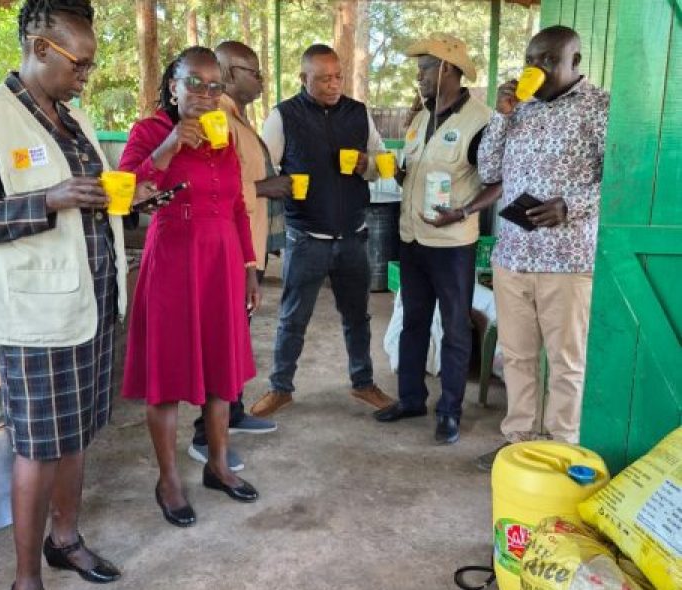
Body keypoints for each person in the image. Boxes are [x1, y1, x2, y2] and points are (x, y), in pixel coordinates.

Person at [0, 1, 156, 587]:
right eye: (79, 65)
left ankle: (66, 540)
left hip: (87, 306)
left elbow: (89, 197)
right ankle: (25, 575)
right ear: (40, 49)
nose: (86, 76)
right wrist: (49, 200)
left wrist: (126, 202)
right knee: (37, 446)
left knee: (76, 433)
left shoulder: (73, 119)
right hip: (32, 315)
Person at [120, 46, 261, 523]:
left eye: (214, 85)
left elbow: (239, 207)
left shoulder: (225, 139)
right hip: (174, 259)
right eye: (194, 83)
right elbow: (124, 191)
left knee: (222, 370)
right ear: (172, 85)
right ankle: (169, 480)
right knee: (166, 376)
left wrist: (248, 267)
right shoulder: (149, 131)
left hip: (221, 260)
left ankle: (218, 465)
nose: (205, 93)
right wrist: (170, 146)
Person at [476, 26, 609, 469]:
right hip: (513, 256)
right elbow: (489, 171)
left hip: (566, 260)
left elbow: (623, 183)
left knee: (566, 361)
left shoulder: (601, 107)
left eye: (549, 59)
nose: (538, 68)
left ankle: (560, 448)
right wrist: (501, 115)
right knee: (516, 355)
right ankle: (518, 440)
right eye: (533, 59)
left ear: (575, 60)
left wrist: (570, 205)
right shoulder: (521, 109)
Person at [250, 44, 393, 418]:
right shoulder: (284, 116)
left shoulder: (358, 113)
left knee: (357, 317)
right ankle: (281, 388)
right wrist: (284, 183)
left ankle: (363, 384)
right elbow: (265, 171)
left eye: (338, 76)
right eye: (324, 78)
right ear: (304, 79)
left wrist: (367, 165)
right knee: (293, 318)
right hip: (305, 238)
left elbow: (382, 165)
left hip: (352, 236)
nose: (334, 85)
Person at [373, 35, 502, 445]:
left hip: (452, 246)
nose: (418, 77)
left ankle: (449, 411)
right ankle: (411, 398)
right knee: (412, 322)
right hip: (412, 239)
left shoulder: (481, 122)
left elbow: (499, 182)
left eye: (424, 69)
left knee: (454, 327)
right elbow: (415, 168)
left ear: (447, 69)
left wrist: (464, 212)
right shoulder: (420, 118)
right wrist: (398, 173)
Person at [184, 40, 291, 471]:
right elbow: (215, 191)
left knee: (238, 340)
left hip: (248, 245)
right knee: (218, 345)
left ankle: (235, 412)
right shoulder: (217, 119)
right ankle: (204, 437)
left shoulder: (240, 118)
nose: (261, 78)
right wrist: (269, 188)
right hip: (226, 251)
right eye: (252, 70)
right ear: (228, 72)